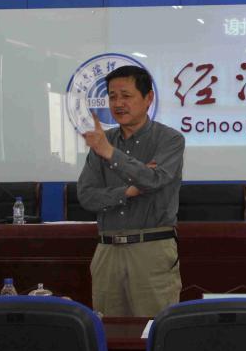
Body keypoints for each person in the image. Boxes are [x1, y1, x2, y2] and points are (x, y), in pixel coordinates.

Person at [77, 64, 185, 317]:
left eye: (126, 96)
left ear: (148, 98)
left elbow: (154, 180)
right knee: (108, 330)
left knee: (154, 330)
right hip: (107, 251)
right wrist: (128, 191)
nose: (118, 104)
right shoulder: (103, 142)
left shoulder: (169, 139)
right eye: (112, 96)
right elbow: (86, 196)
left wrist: (110, 154)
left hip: (151, 250)